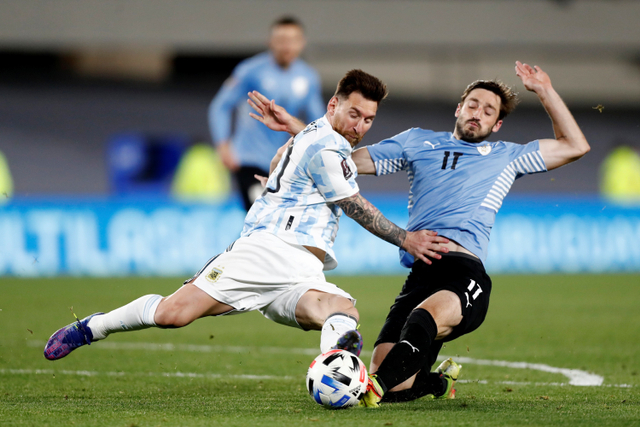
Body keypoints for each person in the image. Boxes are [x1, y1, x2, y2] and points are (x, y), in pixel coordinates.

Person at [44, 70, 449, 364]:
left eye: (368, 119)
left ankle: (335, 372)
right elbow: (355, 206)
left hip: (303, 270)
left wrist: (283, 172)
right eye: (354, 114)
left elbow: (286, 157)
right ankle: (92, 327)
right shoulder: (326, 148)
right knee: (172, 315)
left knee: (343, 312)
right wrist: (406, 239)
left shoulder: (318, 138)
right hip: (266, 253)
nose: (360, 126)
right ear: (333, 104)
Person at [247, 61, 590, 407]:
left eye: (488, 111)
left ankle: (366, 390)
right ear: (459, 108)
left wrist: (544, 90)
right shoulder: (416, 142)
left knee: (419, 323)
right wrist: (297, 129)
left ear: (497, 124)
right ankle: (434, 381)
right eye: (472, 104)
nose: (477, 113)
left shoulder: (509, 156)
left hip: (463, 274)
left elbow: (576, 145)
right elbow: (340, 160)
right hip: (420, 273)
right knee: (399, 382)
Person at [208, 16, 325, 211]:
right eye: (281, 40)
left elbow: (319, 121)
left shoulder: (308, 77)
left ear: (302, 43)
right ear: (270, 42)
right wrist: (223, 144)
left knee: (274, 224)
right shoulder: (250, 71)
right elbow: (220, 106)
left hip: (285, 163)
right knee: (262, 213)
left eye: (292, 40)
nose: (286, 46)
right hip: (249, 160)